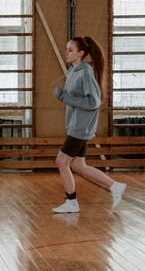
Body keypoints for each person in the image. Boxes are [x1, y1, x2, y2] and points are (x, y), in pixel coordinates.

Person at [50, 36, 126, 214]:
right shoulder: (73, 71)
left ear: (81, 53)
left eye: (70, 50)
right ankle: (115, 186)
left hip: (80, 128)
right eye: (66, 49)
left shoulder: (85, 73)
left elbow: (94, 102)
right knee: (78, 166)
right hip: (75, 126)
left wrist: (64, 97)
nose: (66, 53)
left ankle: (71, 202)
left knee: (61, 161)